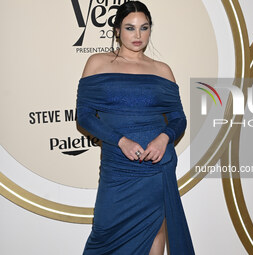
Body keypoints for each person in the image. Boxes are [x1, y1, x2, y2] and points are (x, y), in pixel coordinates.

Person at [76, 1, 195, 254]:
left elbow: (178, 118)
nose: (138, 35)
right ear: (117, 30)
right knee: (104, 233)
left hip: (157, 164)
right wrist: (120, 140)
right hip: (118, 166)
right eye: (130, 28)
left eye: (144, 28)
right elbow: (84, 117)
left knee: (156, 230)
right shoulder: (97, 63)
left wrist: (165, 137)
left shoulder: (162, 70)